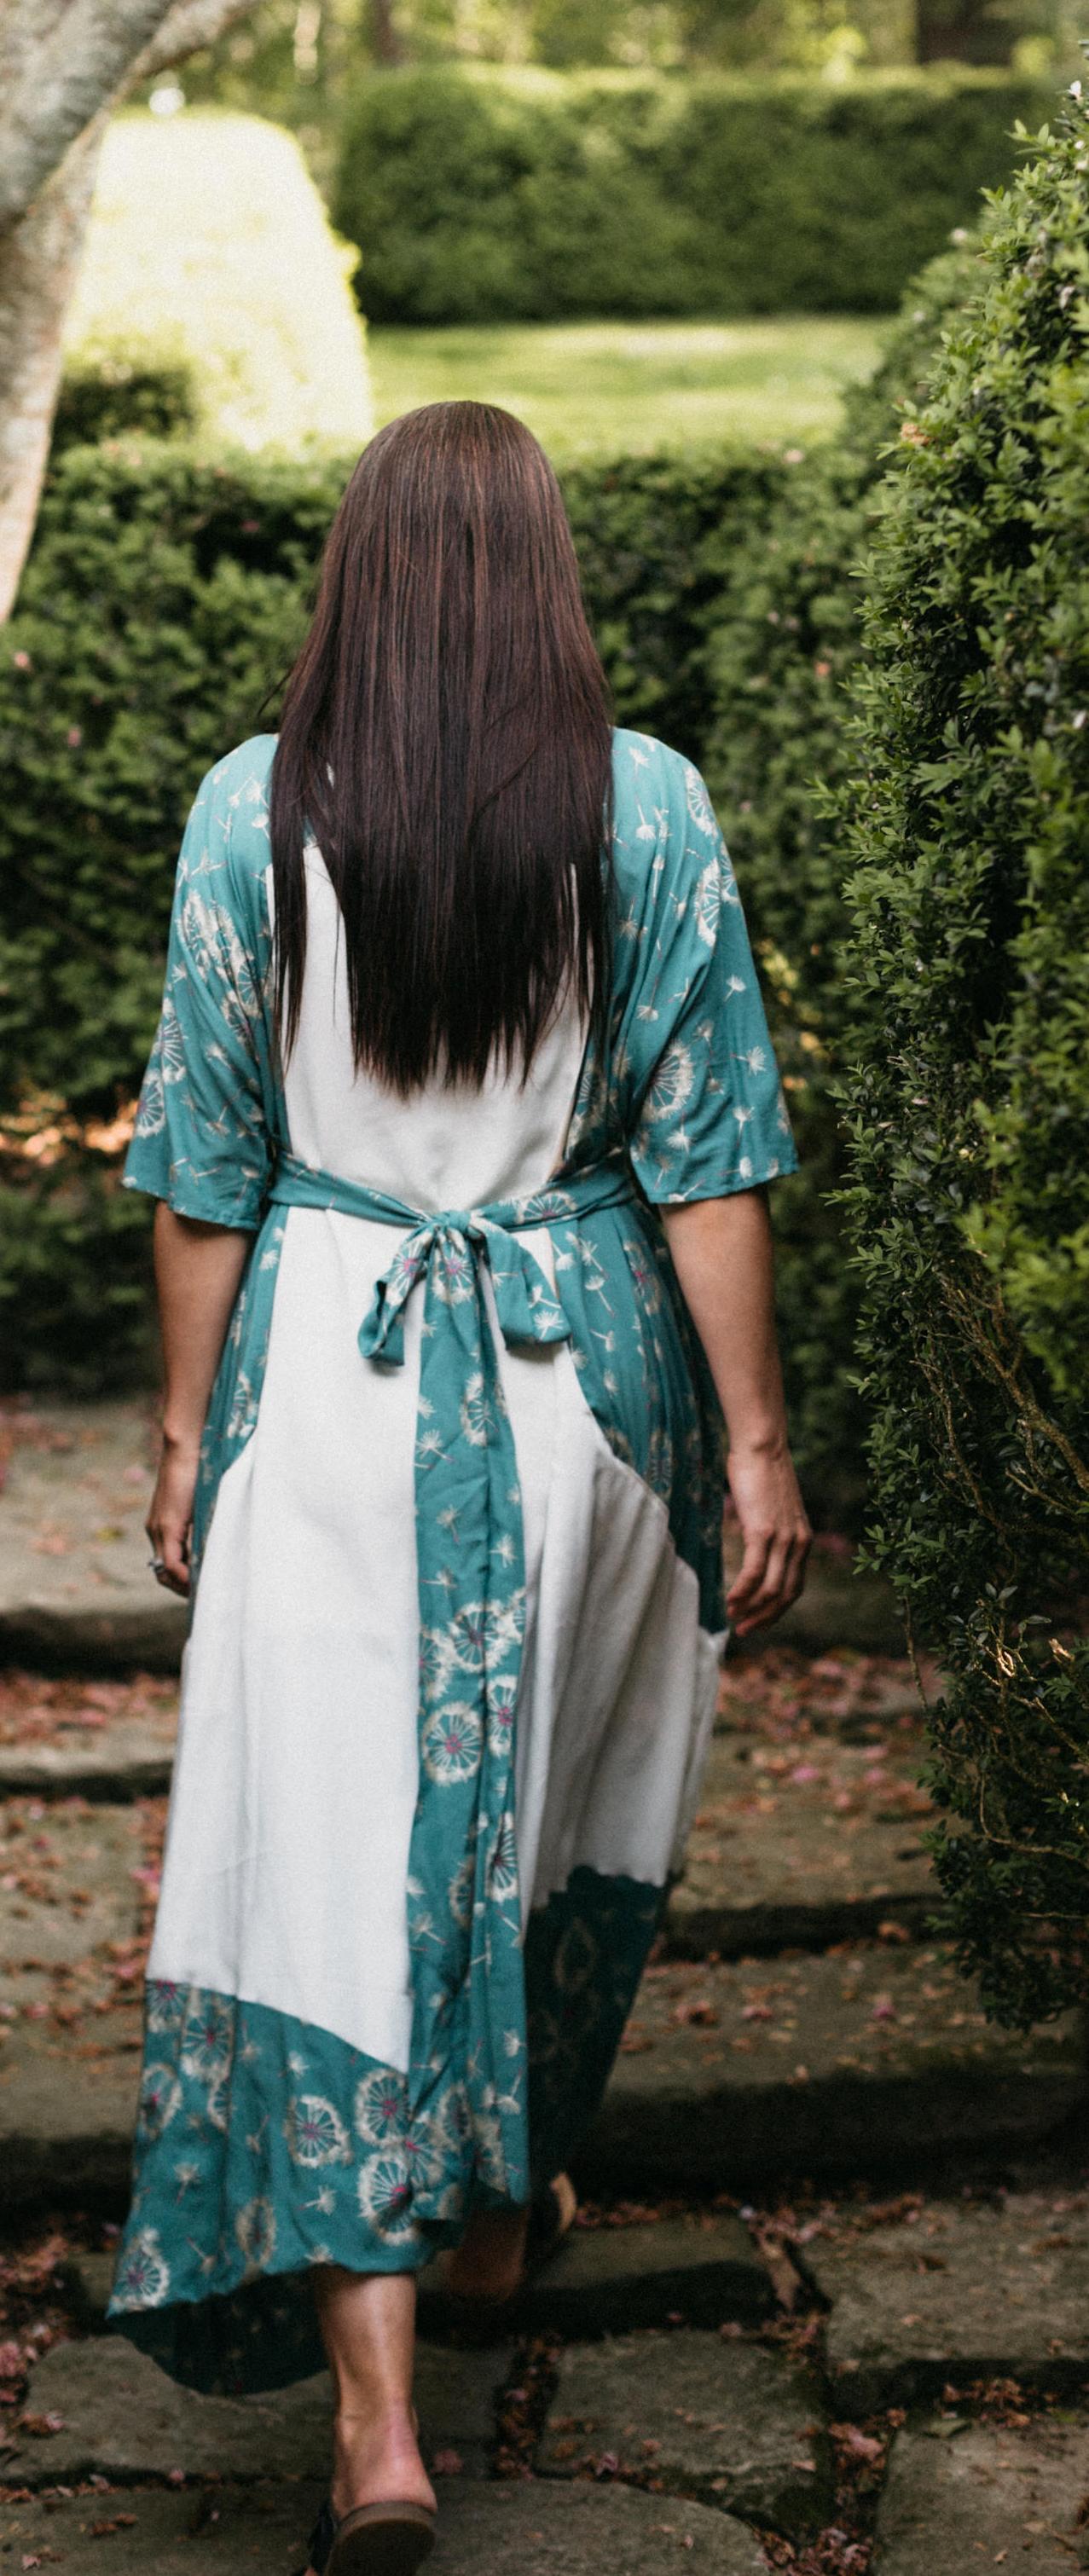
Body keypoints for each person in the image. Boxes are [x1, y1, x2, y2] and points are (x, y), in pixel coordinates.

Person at [107, 400, 810, 2576]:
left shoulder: (255, 808)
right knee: (542, 1811)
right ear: (543, 581)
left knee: (318, 1860)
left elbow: (205, 1173)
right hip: (579, 1393)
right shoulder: (652, 810)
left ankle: (380, 2428)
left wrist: (179, 1431)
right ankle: (499, 2206)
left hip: (330, 1375)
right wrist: (759, 1437)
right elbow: (708, 1164)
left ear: (358, 582)